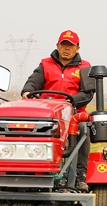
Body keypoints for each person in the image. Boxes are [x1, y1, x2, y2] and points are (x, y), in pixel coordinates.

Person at [21, 29, 94, 192]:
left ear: (77, 48)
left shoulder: (85, 67)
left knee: (83, 129)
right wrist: (27, 90)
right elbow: (33, 81)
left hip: (74, 112)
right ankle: (26, 169)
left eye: (70, 45)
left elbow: (87, 93)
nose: (66, 48)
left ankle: (79, 175)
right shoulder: (45, 64)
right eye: (63, 45)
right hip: (48, 112)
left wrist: (71, 100)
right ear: (57, 46)